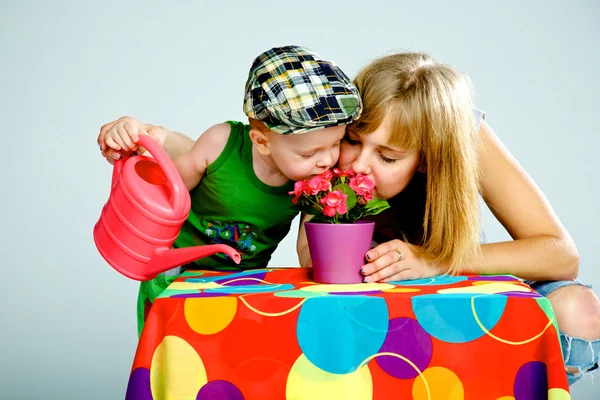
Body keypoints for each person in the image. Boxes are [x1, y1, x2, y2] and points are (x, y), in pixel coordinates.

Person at [295, 51, 599, 386]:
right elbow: (312, 264)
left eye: (388, 156)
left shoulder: (462, 133)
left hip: (454, 296)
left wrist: (436, 260)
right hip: (376, 312)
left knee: (577, 308)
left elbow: (561, 254)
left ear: (427, 157)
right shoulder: (327, 144)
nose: (359, 165)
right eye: (353, 141)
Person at [97, 45, 362, 336]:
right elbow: (169, 188)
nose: (326, 160)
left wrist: (335, 263)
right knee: (173, 360)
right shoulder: (221, 143)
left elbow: (307, 247)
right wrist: (143, 139)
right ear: (262, 142)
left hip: (241, 286)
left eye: (335, 143)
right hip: (175, 277)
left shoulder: (313, 183)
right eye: (310, 153)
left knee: (228, 367)